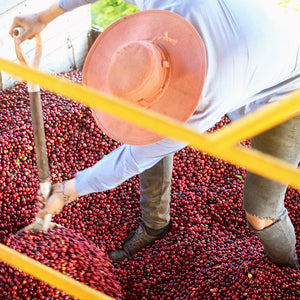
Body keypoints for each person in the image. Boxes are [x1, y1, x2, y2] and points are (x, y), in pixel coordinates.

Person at [10, 0, 300, 268]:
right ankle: (155, 225)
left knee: (261, 211)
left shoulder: (203, 102)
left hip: (288, 93)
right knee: (145, 133)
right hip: (248, 57)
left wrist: (67, 191)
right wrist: (43, 17)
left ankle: (290, 274)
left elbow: (129, 161)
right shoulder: (165, 3)